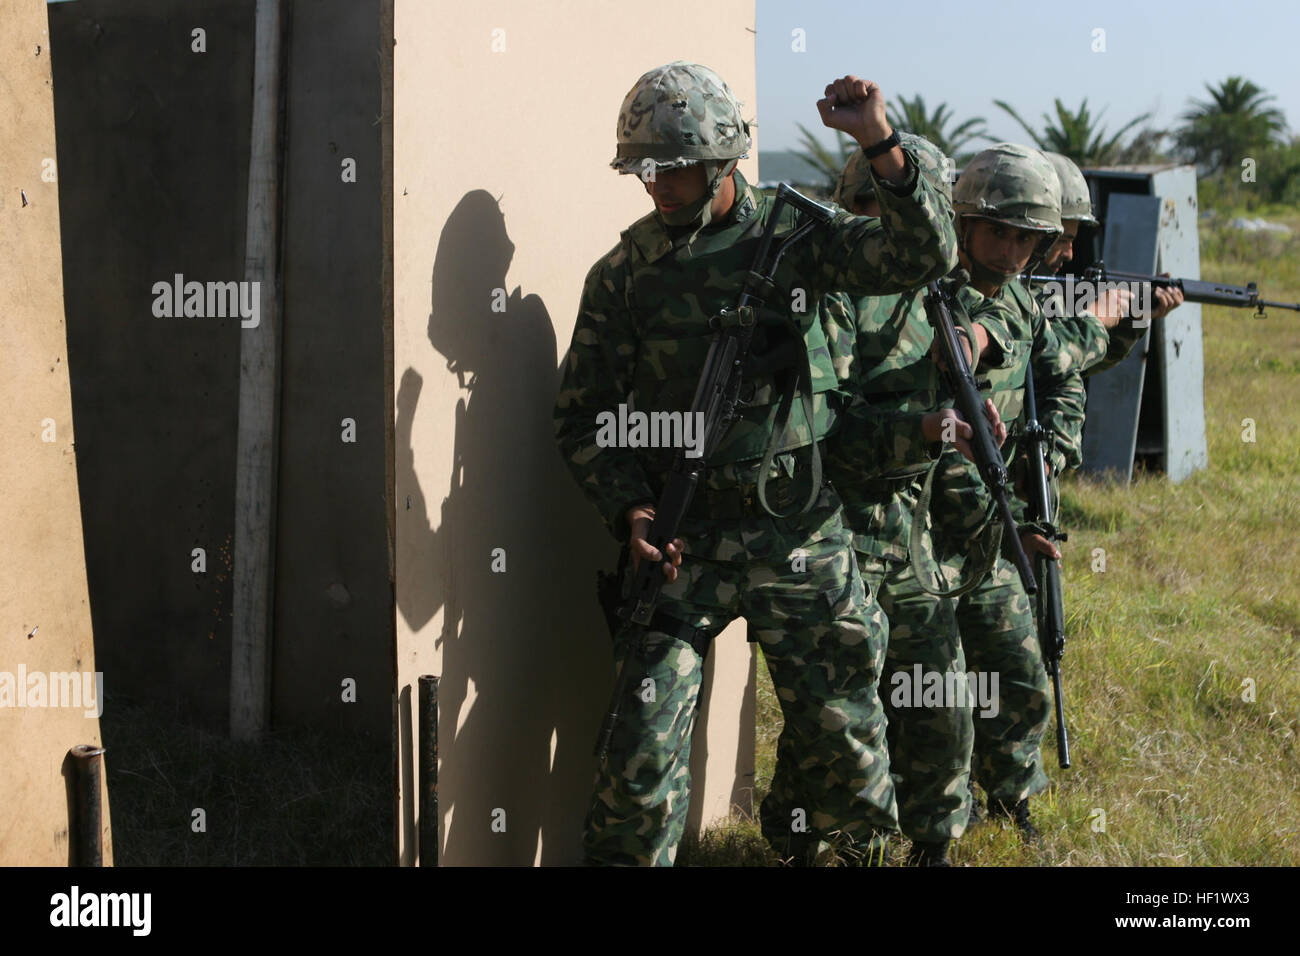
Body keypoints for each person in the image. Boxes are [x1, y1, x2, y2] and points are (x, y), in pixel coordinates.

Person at [554, 61, 979, 865]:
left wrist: (879, 144)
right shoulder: (624, 275)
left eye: (675, 170)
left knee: (844, 747)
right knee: (637, 756)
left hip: (799, 535)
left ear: (724, 161)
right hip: (683, 544)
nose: (658, 188)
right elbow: (584, 415)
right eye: (645, 171)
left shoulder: (798, 240)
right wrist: (628, 508)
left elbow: (920, 254)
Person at [823, 135, 1020, 866]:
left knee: (940, 697)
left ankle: (933, 844)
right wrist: (927, 429)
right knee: (840, 715)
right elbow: (825, 430)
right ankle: (823, 842)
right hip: (834, 535)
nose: (886, 224)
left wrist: (974, 385)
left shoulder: (938, 297)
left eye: (904, 211)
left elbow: (1009, 316)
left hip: (908, 538)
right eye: (869, 207)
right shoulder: (835, 300)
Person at [932, 144, 1087, 841]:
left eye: (1028, 237)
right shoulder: (928, 295)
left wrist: (1048, 460)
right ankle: (937, 816)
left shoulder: (1023, 301)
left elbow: (1057, 373)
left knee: (1019, 671)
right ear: (963, 226)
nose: (1014, 249)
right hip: (919, 534)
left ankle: (1013, 798)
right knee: (937, 693)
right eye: (999, 231)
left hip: (994, 527)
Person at [1036, 152, 1184, 375]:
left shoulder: (1042, 290)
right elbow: (1049, 366)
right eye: (1062, 240)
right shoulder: (1005, 295)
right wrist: (1094, 319)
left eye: (1072, 241)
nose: (1069, 255)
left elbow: (1081, 364)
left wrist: (1132, 317)